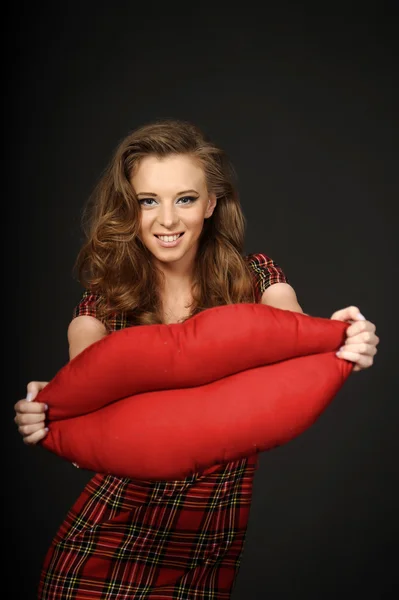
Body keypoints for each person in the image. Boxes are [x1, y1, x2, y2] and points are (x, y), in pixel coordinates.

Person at [14, 119, 379, 599]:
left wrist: (346, 336)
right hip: (110, 541)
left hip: (208, 547)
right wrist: (44, 406)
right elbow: (83, 386)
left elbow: (293, 334)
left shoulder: (257, 277)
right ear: (130, 208)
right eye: (149, 201)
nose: (167, 220)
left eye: (184, 198)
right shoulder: (101, 304)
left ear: (211, 204)